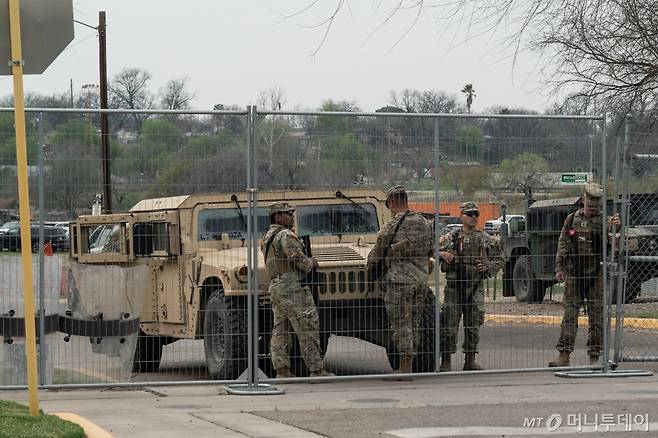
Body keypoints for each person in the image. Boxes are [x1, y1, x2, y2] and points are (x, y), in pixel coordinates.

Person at [548, 183, 621, 367]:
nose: (592, 210)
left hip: (596, 275)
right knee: (570, 316)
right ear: (583, 201)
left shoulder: (606, 221)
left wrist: (616, 230)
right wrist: (560, 268)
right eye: (590, 206)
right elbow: (563, 243)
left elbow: (615, 245)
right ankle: (564, 355)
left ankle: (594, 357)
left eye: (596, 207)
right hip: (575, 274)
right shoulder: (572, 219)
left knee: (596, 316)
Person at [261, 201, 334, 378]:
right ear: (277, 216)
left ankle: (282, 370)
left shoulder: (268, 237)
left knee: (281, 330)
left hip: (277, 286)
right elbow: (297, 258)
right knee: (307, 326)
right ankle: (317, 370)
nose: (292, 217)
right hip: (292, 287)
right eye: (288, 213)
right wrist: (312, 263)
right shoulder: (285, 234)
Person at [366, 185, 434, 377]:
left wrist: (372, 271)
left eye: (388, 205)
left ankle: (405, 367)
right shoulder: (423, 222)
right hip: (420, 281)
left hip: (399, 283)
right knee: (414, 323)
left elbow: (375, 256)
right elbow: (430, 250)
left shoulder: (391, 227)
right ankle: (413, 363)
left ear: (393, 202)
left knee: (401, 325)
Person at [438, 202, 504, 371]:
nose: (474, 217)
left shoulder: (485, 238)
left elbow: (501, 258)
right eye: (470, 214)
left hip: (475, 288)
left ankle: (470, 360)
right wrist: (442, 254)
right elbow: (430, 249)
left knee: (473, 325)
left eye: (476, 214)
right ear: (462, 216)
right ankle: (446, 361)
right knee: (449, 326)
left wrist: (488, 267)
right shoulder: (451, 237)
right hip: (454, 288)